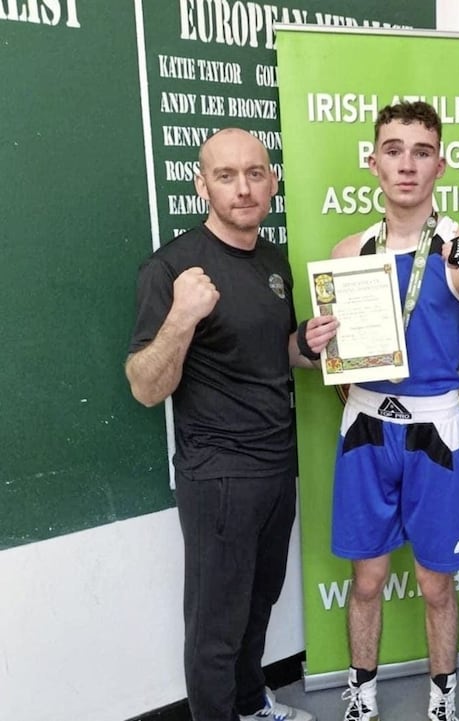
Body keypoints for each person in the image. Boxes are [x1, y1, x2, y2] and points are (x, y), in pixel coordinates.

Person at [329, 101, 459, 721]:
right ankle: (361, 695)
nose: (407, 165)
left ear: (440, 165)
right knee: (365, 581)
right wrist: (322, 344)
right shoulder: (349, 250)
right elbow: (335, 358)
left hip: (434, 430)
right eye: (393, 150)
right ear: (373, 161)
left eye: (421, 152)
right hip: (366, 422)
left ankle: (441, 700)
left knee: (435, 583)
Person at [125, 127, 337, 721]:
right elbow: (146, 385)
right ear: (202, 185)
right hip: (218, 475)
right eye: (226, 176)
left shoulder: (272, 260)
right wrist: (182, 319)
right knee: (216, 626)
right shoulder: (171, 268)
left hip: (275, 465)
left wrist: (309, 343)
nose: (244, 189)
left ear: (271, 181)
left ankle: (251, 704)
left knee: (258, 603)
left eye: (255, 173)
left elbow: (276, 351)